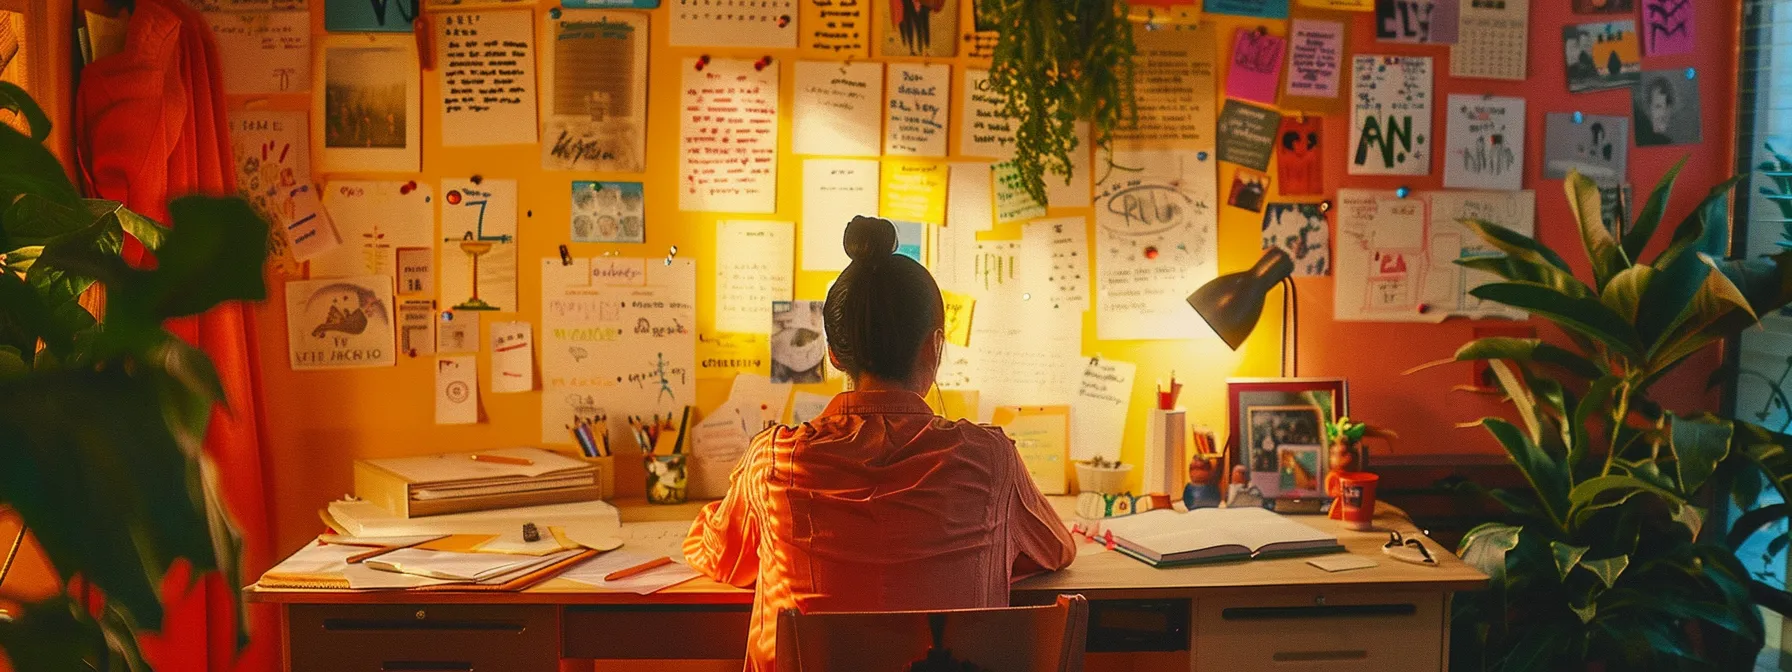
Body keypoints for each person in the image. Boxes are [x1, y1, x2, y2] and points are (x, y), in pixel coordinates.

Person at [685, 216, 1077, 672]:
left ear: (833, 352)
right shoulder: (990, 459)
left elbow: (717, 556)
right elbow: (1056, 549)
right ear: (933, 347)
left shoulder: (776, 461)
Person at [1636, 76, 1677, 146]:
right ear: (1649, 109)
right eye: (1658, 107)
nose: (1663, 113)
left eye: (1667, 107)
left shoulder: (1671, 143)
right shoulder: (1641, 141)